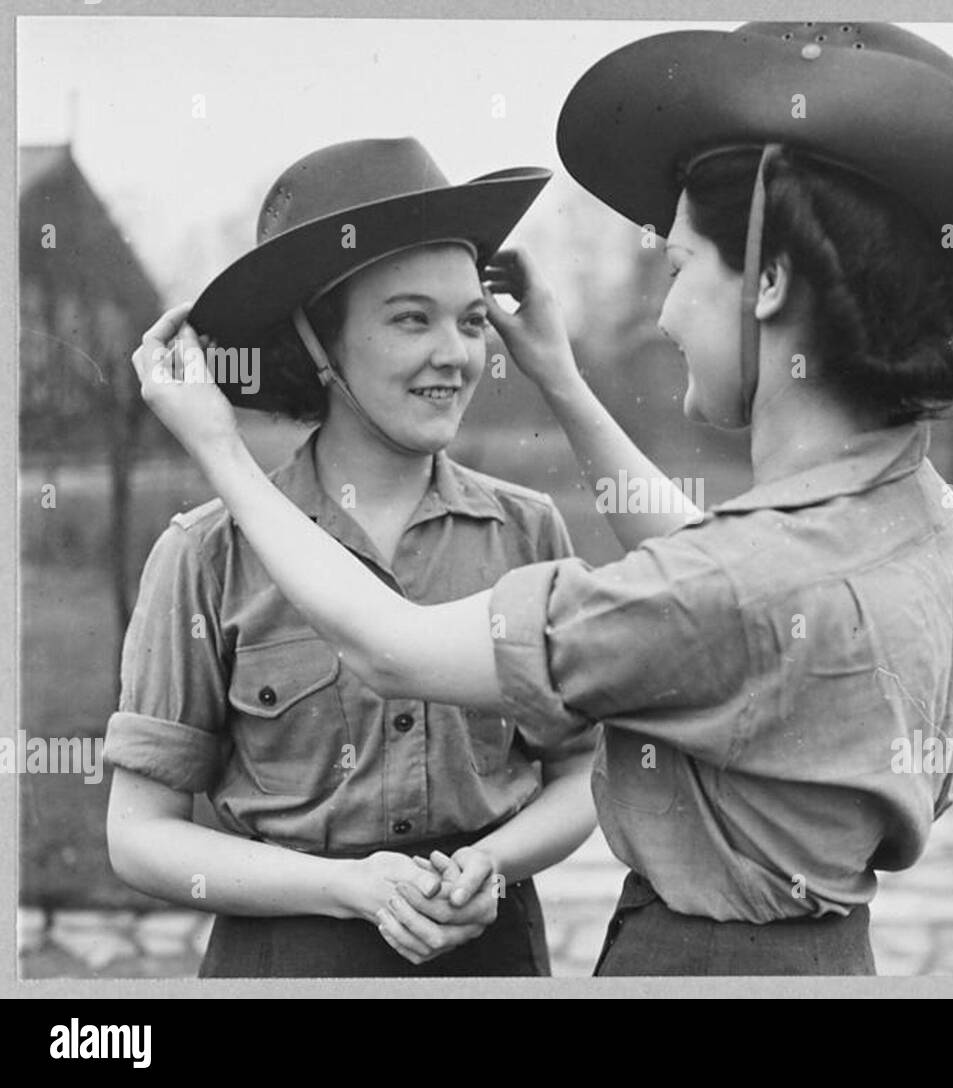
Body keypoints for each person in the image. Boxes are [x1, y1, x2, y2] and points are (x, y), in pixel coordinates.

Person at [127, 23, 953, 976]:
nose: (665, 314)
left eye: (680, 269)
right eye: (410, 320)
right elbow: (726, 573)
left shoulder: (689, 570)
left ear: (771, 282)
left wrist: (220, 451)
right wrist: (565, 385)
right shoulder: (925, 521)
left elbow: (394, 649)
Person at [104, 138, 600, 977]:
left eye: (471, 321)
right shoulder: (205, 555)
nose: (456, 354)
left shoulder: (527, 531)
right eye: (411, 319)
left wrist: (492, 862)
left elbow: (583, 769)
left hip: (490, 952)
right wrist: (346, 888)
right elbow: (139, 834)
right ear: (317, 342)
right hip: (288, 957)